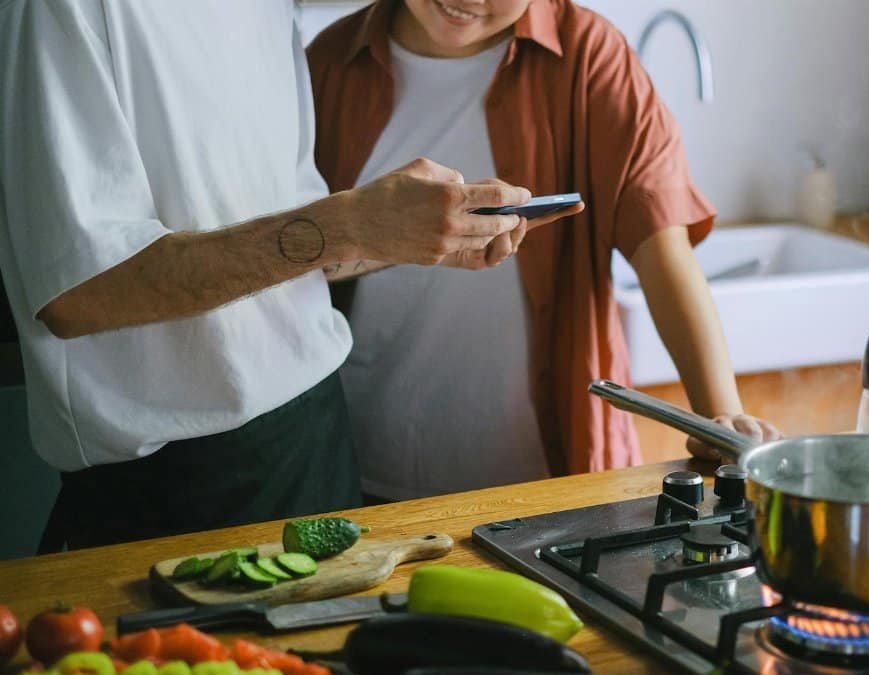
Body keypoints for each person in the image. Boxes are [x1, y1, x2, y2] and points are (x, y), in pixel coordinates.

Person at [0, 0, 571, 549]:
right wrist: (350, 224)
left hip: (316, 434)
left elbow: (293, 248)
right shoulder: (58, 8)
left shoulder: (272, 6)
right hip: (169, 481)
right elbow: (79, 293)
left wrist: (402, 237)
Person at [307, 0, 781, 501]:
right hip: (360, 468)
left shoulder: (590, 57)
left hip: (551, 481)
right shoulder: (327, 64)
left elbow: (662, 249)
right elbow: (293, 259)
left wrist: (720, 416)